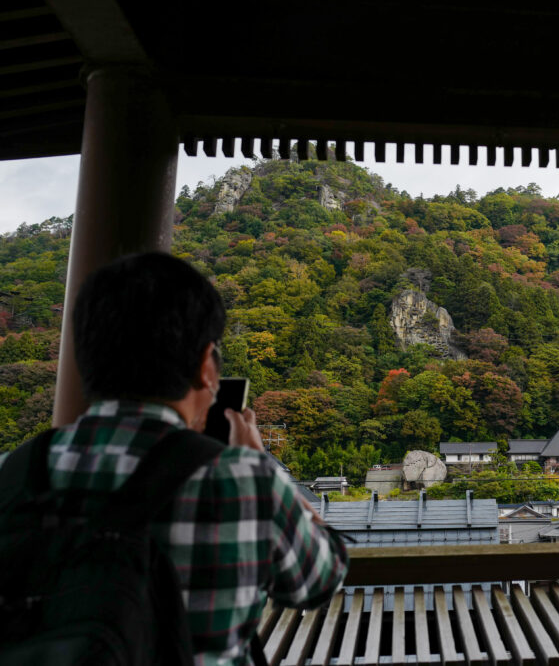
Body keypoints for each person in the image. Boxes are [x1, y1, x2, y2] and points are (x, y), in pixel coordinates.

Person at [0, 252, 348, 664]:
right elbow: (320, 579)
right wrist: (259, 462)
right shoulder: (239, 479)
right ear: (206, 367)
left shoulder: (15, 470)